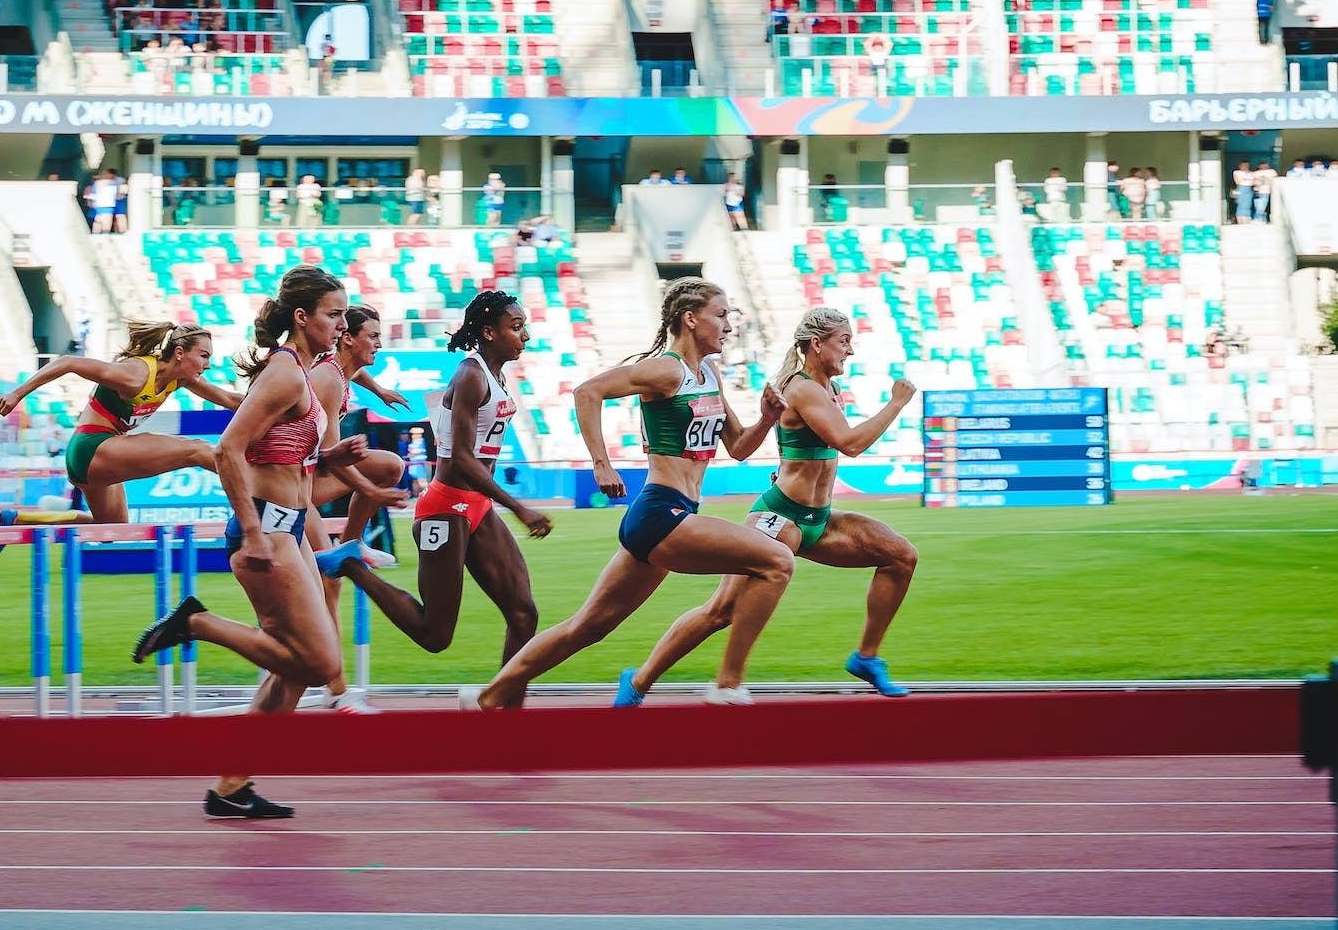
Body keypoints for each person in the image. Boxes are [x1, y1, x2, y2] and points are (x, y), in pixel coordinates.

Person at [469, 278, 793, 711]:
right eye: (722, 315)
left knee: (586, 628)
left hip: (667, 517)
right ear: (690, 319)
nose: (729, 325)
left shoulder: (709, 374)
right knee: (777, 560)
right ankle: (728, 683)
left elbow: (737, 448)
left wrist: (768, 418)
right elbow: (588, 391)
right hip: (664, 513)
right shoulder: (667, 370)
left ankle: (487, 698)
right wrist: (601, 463)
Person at [133, 268, 358, 821]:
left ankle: (232, 786)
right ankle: (196, 623)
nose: (343, 323)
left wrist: (330, 459)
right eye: (334, 313)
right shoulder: (284, 374)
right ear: (302, 317)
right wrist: (254, 533)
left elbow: (279, 453)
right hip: (266, 531)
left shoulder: (302, 374)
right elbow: (229, 450)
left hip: (287, 527)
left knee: (296, 669)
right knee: (320, 660)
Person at [622, 308, 921, 704]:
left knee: (900, 556)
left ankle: (866, 657)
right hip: (779, 518)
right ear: (817, 344)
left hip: (820, 519)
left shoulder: (828, 387)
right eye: (843, 341)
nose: (850, 350)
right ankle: (641, 681)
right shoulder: (803, 388)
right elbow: (850, 443)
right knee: (721, 611)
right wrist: (896, 403)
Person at [323, 290, 551, 668]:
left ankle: (503, 716)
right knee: (435, 635)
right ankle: (349, 564)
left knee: (525, 615)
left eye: (524, 327)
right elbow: (460, 458)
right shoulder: (471, 374)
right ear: (490, 332)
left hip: (476, 506)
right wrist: (519, 508)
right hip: (446, 508)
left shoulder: (495, 374)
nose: (525, 336)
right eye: (516, 327)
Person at [0, 321, 243, 526]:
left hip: (98, 458)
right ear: (179, 353)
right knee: (198, 449)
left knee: (113, 529)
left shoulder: (179, 378)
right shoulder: (136, 375)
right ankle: (256, 496)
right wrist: (17, 394)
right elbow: (69, 362)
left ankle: (19, 519)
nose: (208, 365)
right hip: (91, 447)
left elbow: (231, 400)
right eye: (203, 356)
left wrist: (280, 409)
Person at [300, 305, 417, 713]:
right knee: (330, 581)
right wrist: (373, 492)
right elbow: (328, 460)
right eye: (374, 336)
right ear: (348, 337)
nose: (381, 344)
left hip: (305, 477)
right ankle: (337, 691)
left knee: (390, 464)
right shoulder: (328, 381)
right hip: (292, 488)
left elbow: (355, 372)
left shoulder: (340, 369)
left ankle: (351, 542)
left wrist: (379, 390)